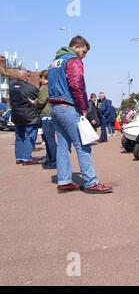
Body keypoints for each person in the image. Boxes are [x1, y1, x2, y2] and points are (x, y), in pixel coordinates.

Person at [48, 35, 113, 194]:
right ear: (76, 47)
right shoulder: (73, 61)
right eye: (84, 51)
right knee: (83, 144)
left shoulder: (53, 63)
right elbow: (77, 85)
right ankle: (91, 182)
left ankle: (64, 181)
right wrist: (84, 107)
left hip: (55, 108)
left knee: (63, 146)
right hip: (68, 107)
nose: (84, 55)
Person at [5, 70, 40, 165]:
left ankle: (19, 158)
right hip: (29, 116)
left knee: (19, 137)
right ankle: (26, 158)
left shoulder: (11, 87)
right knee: (30, 136)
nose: (29, 77)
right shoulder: (31, 88)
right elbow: (39, 99)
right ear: (25, 77)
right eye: (28, 76)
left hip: (16, 115)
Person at [34, 70, 57, 169]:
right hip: (51, 115)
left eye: (41, 78)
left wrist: (34, 102)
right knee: (50, 140)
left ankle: (53, 162)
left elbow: (41, 101)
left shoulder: (45, 87)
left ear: (44, 77)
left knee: (49, 141)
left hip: (46, 115)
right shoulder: (53, 86)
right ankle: (50, 160)